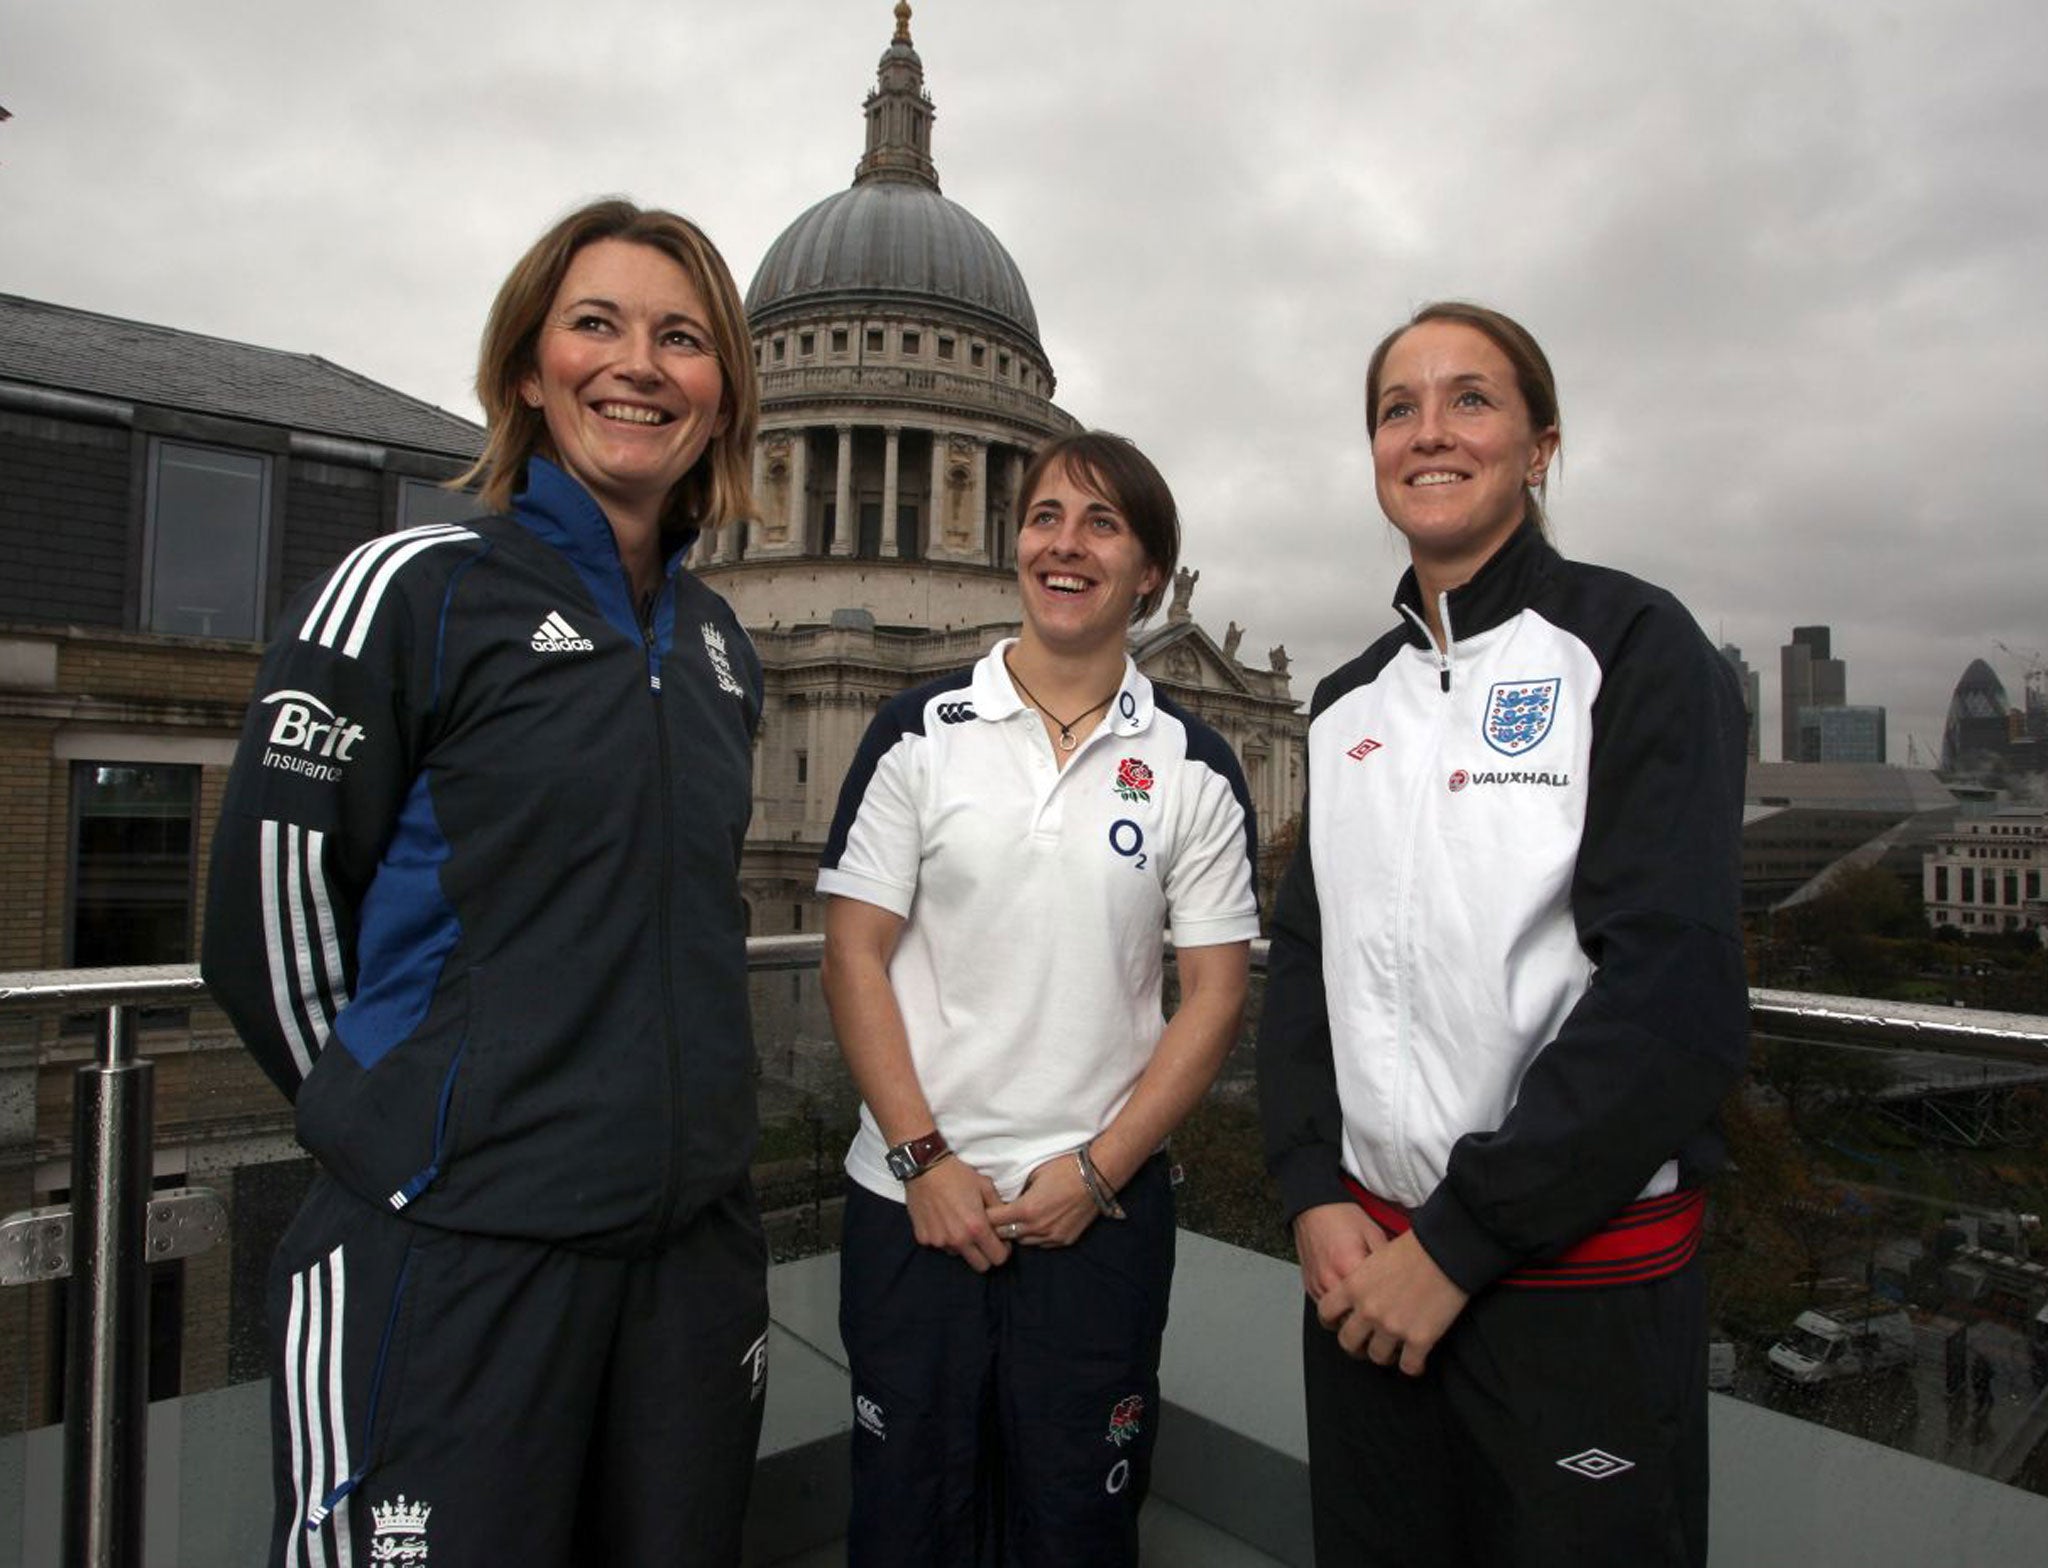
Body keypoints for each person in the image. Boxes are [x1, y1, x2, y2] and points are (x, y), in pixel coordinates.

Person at [202, 198, 769, 1568]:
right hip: (460, 1263)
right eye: (597, 324)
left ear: (722, 395)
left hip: (684, 1273)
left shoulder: (720, 647)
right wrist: (412, 1142)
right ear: (527, 367)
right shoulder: (411, 588)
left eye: (681, 338)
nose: (638, 364)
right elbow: (266, 920)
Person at [1258, 302, 1748, 1567]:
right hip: (1363, 1273)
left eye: (1469, 399)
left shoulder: (1634, 646)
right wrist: (1310, 1184)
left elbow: (1673, 995)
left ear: (1539, 447)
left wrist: (1459, 1243)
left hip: (1569, 1286)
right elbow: (1308, 961)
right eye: (1395, 407)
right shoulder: (1342, 700)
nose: (1429, 432)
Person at [818, 430, 1261, 1566]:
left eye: (1101, 523)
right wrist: (923, 1159)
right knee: (905, 1522)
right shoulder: (912, 733)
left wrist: (1097, 1170)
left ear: (1152, 569)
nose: (1065, 545)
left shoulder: (1195, 762)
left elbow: (1212, 992)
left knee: (1078, 1525)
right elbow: (850, 954)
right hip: (911, 1207)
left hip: (1096, 1214)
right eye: (1045, 516)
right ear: (1009, 537)